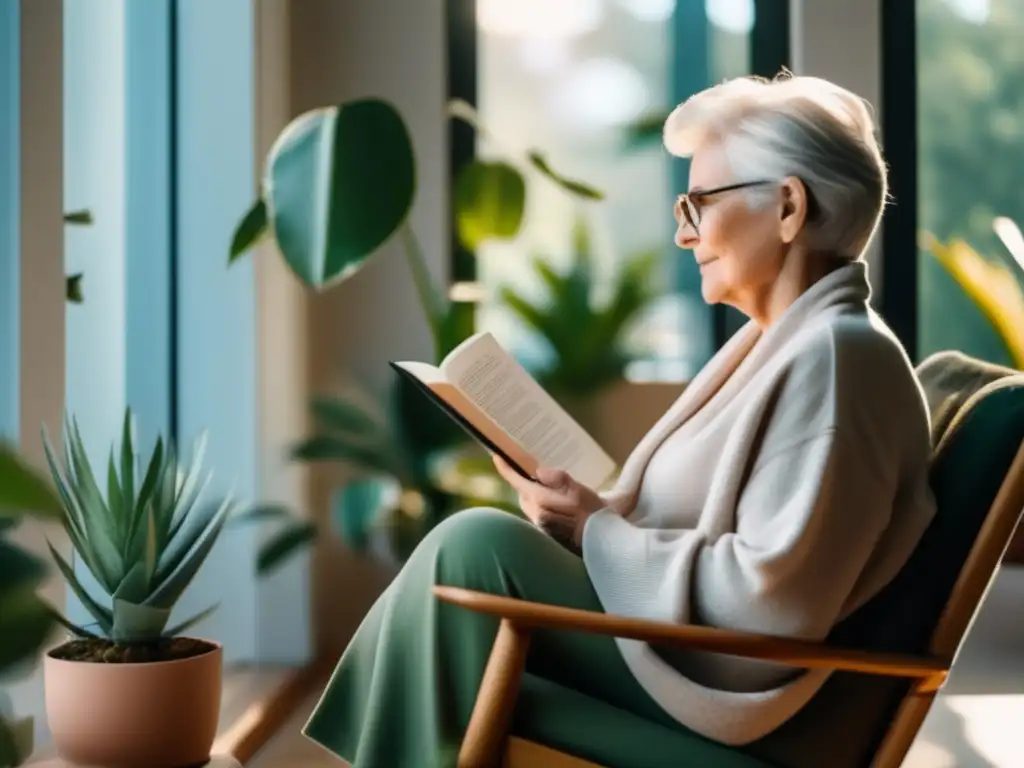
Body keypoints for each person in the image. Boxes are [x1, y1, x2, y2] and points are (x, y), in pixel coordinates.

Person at [303, 73, 937, 766]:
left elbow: (772, 605)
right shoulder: (787, 345)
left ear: (788, 207)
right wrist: (590, 519)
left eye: (698, 202)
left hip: (748, 704)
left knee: (475, 546)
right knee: (471, 559)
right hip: (694, 656)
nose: (682, 233)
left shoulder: (838, 360)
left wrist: (595, 530)